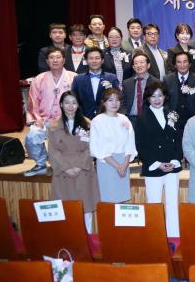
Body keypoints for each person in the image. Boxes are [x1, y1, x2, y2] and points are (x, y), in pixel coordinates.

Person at [134, 81, 182, 237]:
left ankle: (174, 236)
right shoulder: (141, 118)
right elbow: (140, 145)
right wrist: (157, 163)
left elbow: (178, 140)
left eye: (160, 95)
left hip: (172, 166)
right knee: (153, 204)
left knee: (172, 204)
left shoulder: (172, 114)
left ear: (165, 97)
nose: (157, 99)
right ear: (148, 98)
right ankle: (156, 237)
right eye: (153, 96)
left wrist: (175, 160)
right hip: (153, 166)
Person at [47, 91, 99, 233]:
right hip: (63, 172)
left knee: (86, 209)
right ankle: (69, 240)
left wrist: (79, 166)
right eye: (67, 102)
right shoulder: (53, 126)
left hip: (83, 171)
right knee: (65, 209)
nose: (70, 106)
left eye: (74, 103)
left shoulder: (87, 124)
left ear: (78, 105)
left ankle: (87, 239)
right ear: (61, 105)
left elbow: (91, 148)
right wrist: (66, 168)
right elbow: (52, 151)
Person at [24, 47, 77, 176]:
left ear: (64, 60)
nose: (55, 60)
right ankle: (40, 164)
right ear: (47, 61)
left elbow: (79, 101)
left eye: (58, 57)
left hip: (68, 119)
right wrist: (37, 119)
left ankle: (65, 163)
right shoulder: (39, 78)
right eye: (51, 58)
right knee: (32, 137)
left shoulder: (74, 77)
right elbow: (32, 101)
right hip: (45, 119)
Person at [90, 88, 137, 203]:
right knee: (108, 200)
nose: (114, 103)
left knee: (122, 199)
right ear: (104, 103)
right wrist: (118, 166)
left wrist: (125, 164)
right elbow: (98, 147)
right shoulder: (97, 121)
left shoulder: (124, 119)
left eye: (117, 100)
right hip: (107, 163)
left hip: (124, 162)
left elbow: (130, 142)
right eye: (110, 100)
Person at [71, 47, 120, 119]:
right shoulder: (78, 79)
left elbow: (119, 99)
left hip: (107, 118)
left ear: (102, 60)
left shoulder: (112, 78)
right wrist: (82, 118)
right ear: (86, 61)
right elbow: (74, 100)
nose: (94, 61)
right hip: (84, 119)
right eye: (91, 58)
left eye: (97, 58)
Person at [165, 51, 195, 135]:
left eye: (185, 62)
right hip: (173, 120)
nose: (182, 65)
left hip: (193, 119)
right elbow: (165, 100)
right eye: (179, 62)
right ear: (175, 65)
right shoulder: (167, 79)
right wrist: (169, 114)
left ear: (190, 64)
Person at [120, 52, 159, 121]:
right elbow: (121, 102)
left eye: (141, 62)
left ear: (148, 65)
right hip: (129, 119)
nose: (139, 65)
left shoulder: (156, 83)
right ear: (133, 67)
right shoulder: (126, 83)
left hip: (149, 119)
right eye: (136, 63)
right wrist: (124, 117)